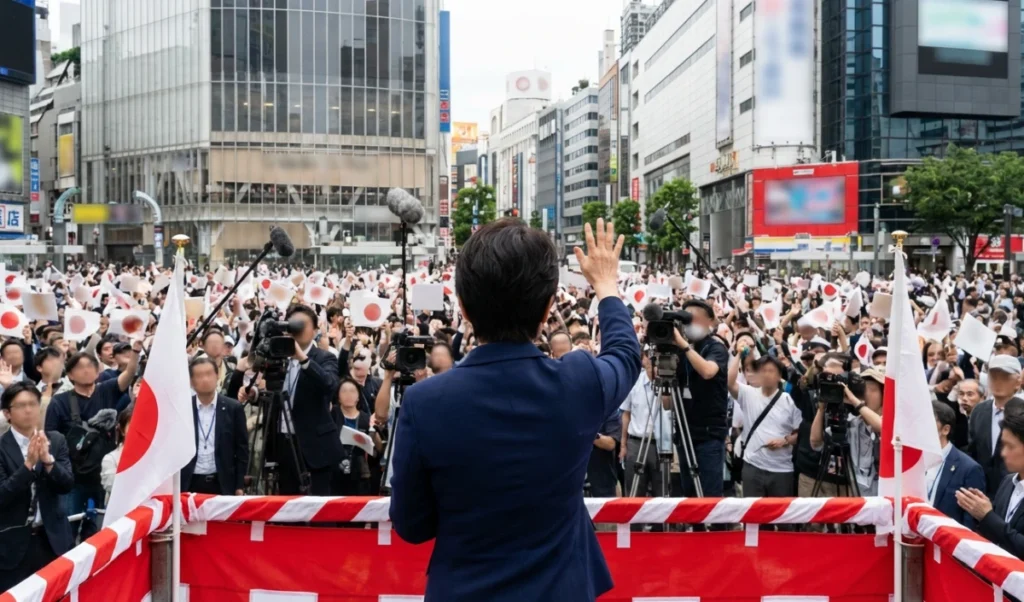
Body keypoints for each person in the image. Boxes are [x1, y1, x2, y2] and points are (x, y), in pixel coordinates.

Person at [389, 218, 641, 602]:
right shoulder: (578, 382)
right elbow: (625, 353)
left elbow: (411, 525)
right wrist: (606, 285)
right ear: (546, 309)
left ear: (463, 308)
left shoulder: (426, 401)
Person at [45, 345, 138, 540]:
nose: (86, 370)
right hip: (74, 478)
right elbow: (51, 437)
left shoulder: (107, 390)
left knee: (102, 532)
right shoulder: (60, 402)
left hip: (103, 476)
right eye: (79, 367)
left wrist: (136, 352)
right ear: (70, 374)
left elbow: (129, 373)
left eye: (90, 366)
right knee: (68, 528)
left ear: (98, 371)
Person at [0, 383, 74, 591]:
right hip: (13, 544)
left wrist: (48, 461)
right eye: (21, 405)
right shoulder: (2, 447)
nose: (29, 410)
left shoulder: (56, 440)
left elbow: (67, 484)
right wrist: (28, 465)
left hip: (53, 538)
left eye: (33, 404)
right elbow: (3, 495)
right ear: (7, 413)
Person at [270, 305, 341, 495]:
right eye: (294, 324)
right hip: (283, 444)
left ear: (316, 331)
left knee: (319, 511)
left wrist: (302, 358)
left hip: (314, 447)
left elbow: (330, 384)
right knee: (288, 508)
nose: (297, 329)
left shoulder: (325, 357)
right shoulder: (278, 357)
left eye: (302, 325)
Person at [668, 298, 730, 498]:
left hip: (709, 434)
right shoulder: (677, 352)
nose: (689, 324)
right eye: (686, 320)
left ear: (711, 322)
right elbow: (666, 404)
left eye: (694, 319)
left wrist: (684, 346)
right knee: (689, 494)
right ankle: (694, 528)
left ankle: (716, 529)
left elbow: (708, 371)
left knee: (710, 494)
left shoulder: (715, 348)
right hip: (685, 433)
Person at [727, 353, 802, 497]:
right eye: (763, 370)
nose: (767, 374)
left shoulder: (789, 401)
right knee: (753, 514)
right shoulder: (748, 393)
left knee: (779, 516)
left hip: (781, 469)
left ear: (779, 375)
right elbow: (730, 383)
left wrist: (785, 441)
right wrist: (737, 354)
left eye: (771, 371)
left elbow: (799, 434)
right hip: (752, 465)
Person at [958, 411, 1024, 559]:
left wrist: (988, 516)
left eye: (1010, 446)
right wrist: (978, 511)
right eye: (1002, 445)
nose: (1003, 453)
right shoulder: (1008, 482)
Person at [180, 357, 249, 495]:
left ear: (217, 376)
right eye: (199, 376)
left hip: (222, 482)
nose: (205, 379)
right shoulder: (183, 408)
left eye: (209, 374)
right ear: (191, 382)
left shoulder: (233, 407)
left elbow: (242, 448)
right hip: (190, 482)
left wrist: (239, 485)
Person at [967, 354, 1022, 497]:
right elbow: (973, 450)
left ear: (1018, 382)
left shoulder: (1022, 413)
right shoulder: (979, 411)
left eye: (1004, 377)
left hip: (1014, 493)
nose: (998, 382)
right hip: (980, 492)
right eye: (994, 376)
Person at [620, 353, 672, 499]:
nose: (654, 361)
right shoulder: (633, 381)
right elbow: (626, 414)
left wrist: (662, 381)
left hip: (663, 444)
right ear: (643, 359)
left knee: (662, 493)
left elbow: (669, 406)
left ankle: (661, 523)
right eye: (650, 357)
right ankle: (636, 523)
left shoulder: (671, 381)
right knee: (634, 493)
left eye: (658, 357)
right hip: (636, 442)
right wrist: (623, 446)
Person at [927, 401, 985, 529]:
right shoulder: (913, 460)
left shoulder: (969, 469)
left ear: (945, 429)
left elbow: (971, 523)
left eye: (929, 421)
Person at [330, 377, 382, 495]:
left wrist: (373, 431)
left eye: (352, 391)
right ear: (338, 396)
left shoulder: (365, 418)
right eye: (344, 391)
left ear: (358, 396)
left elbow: (377, 451)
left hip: (359, 471)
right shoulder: (332, 414)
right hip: (336, 469)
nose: (348, 395)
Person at [101, 405, 133, 499]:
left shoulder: (154, 456)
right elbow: (114, 488)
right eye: (132, 427)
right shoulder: (111, 459)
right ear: (123, 430)